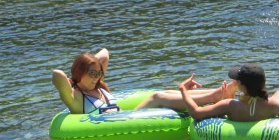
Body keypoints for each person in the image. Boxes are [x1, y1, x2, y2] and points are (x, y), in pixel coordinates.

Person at [52, 48, 232, 115]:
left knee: (168, 92)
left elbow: (105, 53)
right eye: (91, 73)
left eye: (99, 73)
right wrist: (74, 78)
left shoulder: (98, 84)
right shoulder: (76, 98)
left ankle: (217, 93)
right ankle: (215, 96)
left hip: (124, 117)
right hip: (120, 124)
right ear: (79, 72)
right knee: (157, 96)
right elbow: (57, 74)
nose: (96, 77)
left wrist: (92, 66)